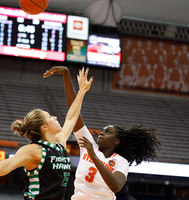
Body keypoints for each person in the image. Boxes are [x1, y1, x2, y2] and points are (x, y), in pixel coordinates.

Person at [0, 68, 94, 200]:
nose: (54, 117)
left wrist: (82, 91)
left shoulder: (59, 143)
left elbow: (71, 118)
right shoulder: (34, 150)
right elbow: (9, 164)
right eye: (49, 116)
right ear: (43, 126)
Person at [44, 66, 162, 200]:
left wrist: (94, 156)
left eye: (108, 132)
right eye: (103, 131)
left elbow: (116, 186)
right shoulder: (89, 144)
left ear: (116, 141)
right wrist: (66, 74)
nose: (101, 133)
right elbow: (73, 111)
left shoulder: (120, 161)